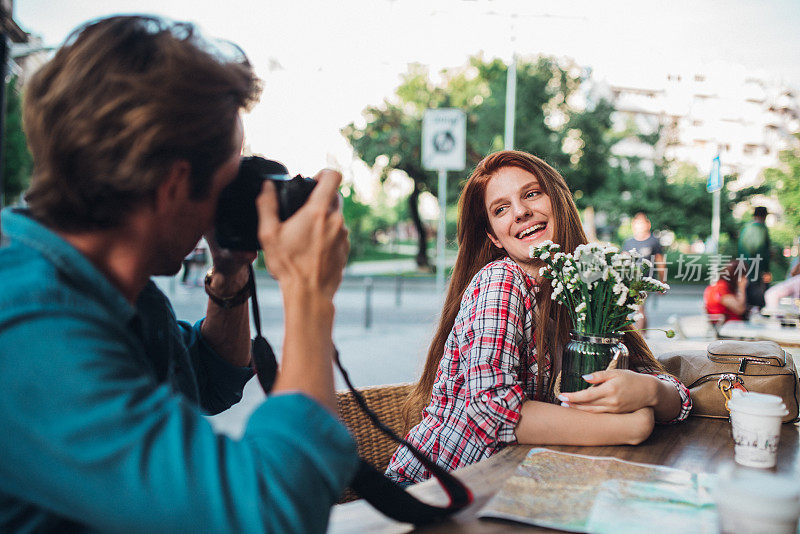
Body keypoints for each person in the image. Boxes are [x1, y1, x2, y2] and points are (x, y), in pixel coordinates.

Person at [0, 16, 356, 533]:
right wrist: (308, 292)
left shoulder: (110, 287)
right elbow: (272, 515)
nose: (239, 193)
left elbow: (208, 382)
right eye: (233, 174)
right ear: (173, 185)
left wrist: (231, 274)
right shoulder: (30, 325)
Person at [385, 151, 691, 485]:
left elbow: (671, 388)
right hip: (432, 493)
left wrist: (649, 393)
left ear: (558, 200)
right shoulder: (500, 278)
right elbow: (491, 408)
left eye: (531, 193)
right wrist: (632, 426)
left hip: (517, 488)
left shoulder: (587, 291)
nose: (520, 212)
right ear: (493, 237)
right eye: (501, 209)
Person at [622, 212, 665, 330]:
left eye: (641, 223)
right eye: (637, 223)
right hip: (631, 280)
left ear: (648, 225)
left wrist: (662, 282)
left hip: (647, 280)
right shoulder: (628, 242)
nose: (639, 226)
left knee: (639, 307)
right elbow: (622, 260)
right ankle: (644, 335)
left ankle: (641, 336)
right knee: (640, 308)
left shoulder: (653, 241)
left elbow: (660, 262)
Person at [738, 206, 772, 310]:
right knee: (758, 304)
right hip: (758, 271)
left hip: (744, 270)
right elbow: (761, 252)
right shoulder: (761, 229)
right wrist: (766, 272)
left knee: (747, 301)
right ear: (764, 216)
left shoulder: (745, 228)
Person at [703, 260, 748, 324]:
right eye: (744, 275)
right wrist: (741, 287)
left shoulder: (717, 286)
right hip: (731, 327)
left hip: (727, 325)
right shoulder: (722, 288)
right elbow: (740, 309)